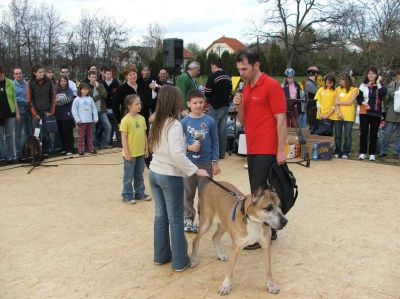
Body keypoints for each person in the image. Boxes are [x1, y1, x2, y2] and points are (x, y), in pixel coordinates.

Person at [148, 85, 209, 272]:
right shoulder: (174, 125)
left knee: (161, 216)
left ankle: (161, 256)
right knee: (175, 219)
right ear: (174, 102)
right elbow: (176, 154)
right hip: (168, 176)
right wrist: (195, 170)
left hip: (154, 173)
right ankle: (180, 261)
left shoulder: (157, 122)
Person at [233, 48, 287, 247]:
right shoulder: (246, 88)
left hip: (267, 146)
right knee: (259, 192)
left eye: (245, 68)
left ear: (256, 65)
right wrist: (239, 105)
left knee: (258, 193)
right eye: (239, 69)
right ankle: (270, 230)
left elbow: (281, 118)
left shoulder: (271, 86)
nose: (242, 73)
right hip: (252, 146)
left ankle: (263, 234)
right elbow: (242, 121)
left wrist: (281, 149)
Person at [181, 89, 220, 233]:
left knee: (205, 194)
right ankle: (188, 219)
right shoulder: (183, 123)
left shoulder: (210, 121)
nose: (198, 105)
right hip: (188, 164)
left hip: (205, 164)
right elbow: (177, 145)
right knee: (188, 193)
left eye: (201, 102)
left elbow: (215, 142)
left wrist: (215, 162)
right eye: (195, 103)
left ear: (205, 103)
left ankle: (204, 219)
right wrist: (189, 147)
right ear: (188, 104)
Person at [120, 94, 151, 203]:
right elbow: (123, 139)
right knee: (129, 176)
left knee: (139, 175)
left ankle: (139, 193)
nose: (139, 106)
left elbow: (144, 135)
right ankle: (127, 195)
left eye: (140, 103)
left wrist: (146, 149)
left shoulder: (142, 119)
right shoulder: (125, 120)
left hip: (140, 153)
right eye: (136, 104)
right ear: (129, 106)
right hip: (130, 154)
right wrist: (127, 153)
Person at [357, 67, 387, 161]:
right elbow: (359, 98)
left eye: (373, 74)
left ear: (376, 75)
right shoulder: (363, 85)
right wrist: (363, 102)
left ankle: (372, 153)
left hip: (376, 113)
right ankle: (362, 152)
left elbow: (382, 93)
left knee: (374, 134)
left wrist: (378, 82)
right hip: (364, 112)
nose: (371, 75)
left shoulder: (380, 85)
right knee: (363, 133)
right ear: (367, 75)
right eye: (369, 73)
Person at [204, 59, 232, 159]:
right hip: (225, 106)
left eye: (211, 67)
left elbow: (207, 92)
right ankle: (221, 153)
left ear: (214, 66)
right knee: (222, 131)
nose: (211, 69)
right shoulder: (228, 77)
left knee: (211, 130)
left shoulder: (213, 76)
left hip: (214, 106)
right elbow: (230, 92)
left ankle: (212, 154)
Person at [27, 64, 56, 158]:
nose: (42, 74)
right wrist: (35, 113)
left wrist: (51, 111)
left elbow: (53, 96)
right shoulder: (30, 82)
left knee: (47, 133)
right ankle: (37, 152)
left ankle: (46, 151)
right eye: (40, 72)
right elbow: (30, 99)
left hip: (47, 112)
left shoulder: (49, 81)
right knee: (37, 133)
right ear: (34, 73)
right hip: (36, 113)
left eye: (43, 72)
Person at [333, 73, 358, 159]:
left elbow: (350, 102)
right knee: (337, 135)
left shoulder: (354, 89)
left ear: (346, 80)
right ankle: (337, 151)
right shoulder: (337, 89)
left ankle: (346, 152)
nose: (340, 82)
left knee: (347, 135)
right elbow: (335, 102)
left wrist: (338, 102)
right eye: (339, 81)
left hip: (349, 116)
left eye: (341, 80)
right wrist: (339, 112)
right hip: (338, 115)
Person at [0, 64, 19, 165]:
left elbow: (14, 99)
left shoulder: (10, 83)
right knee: (0, 137)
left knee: (10, 136)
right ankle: (2, 158)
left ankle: (10, 157)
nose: (0, 76)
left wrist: (17, 113)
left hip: (10, 113)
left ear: (3, 72)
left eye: (1, 73)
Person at [71, 83, 98, 155]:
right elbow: (74, 110)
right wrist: (77, 119)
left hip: (89, 120)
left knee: (89, 135)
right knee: (81, 136)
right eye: (84, 89)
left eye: (87, 89)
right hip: (81, 121)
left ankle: (91, 148)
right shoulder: (77, 99)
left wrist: (95, 117)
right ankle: (80, 149)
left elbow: (94, 109)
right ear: (80, 90)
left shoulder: (90, 99)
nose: (85, 91)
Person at [87, 71, 111, 149]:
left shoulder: (100, 85)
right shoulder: (87, 87)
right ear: (89, 77)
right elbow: (89, 100)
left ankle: (104, 143)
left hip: (102, 110)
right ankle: (94, 145)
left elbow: (105, 95)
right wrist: (98, 96)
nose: (94, 79)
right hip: (92, 112)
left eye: (95, 77)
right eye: (92, 77)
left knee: (108, 127)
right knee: (93, 130)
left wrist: (98, 87)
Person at [380, 69, 400, 159]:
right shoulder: (393, 84)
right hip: (392, 111)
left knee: (399, 134)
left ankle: (396, 152)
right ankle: (383, 151)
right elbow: (390, 95)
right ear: (397, 75)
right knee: (387, 132)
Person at [13, 67, 31, 161]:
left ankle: (27, 152)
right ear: (14, 75)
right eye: (16, 74)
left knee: (28, 133)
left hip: (28, 112)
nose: (19, 75)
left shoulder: (27, 84)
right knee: (18, 134)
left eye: (20, 73)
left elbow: (30, 94)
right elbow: (15, 99)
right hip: (19, 112)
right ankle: (19, 154)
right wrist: (27, 102)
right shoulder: (12, 85)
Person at [55, 75, 75, 155]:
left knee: (68, 132)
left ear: (67, 82)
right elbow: (54, 101)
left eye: (64, 81)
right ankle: (64, 148)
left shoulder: (69, 90)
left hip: (67, 115)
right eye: (61, 81)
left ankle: (70, 149)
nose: (63, 83)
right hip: (58, 115)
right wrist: (59, 101)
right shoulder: (56, 90)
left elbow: (69, 99)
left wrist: (58, 101)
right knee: (61, 132)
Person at [101, 67, 120, 147]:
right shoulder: (102, 83)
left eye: (110, 74)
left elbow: (117, 93)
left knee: (116, 125)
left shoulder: (115, 82)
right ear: (104, 74)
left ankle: (119, 142)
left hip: (114, 107)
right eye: (107, 74)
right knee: (109, 126)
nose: (109, 76)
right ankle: (109, 142)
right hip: (106, 107)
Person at [137, 65, 157, 132]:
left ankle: (155, 135)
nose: (146, 72)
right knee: (144, 121)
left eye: (148, 70)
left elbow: (160, 88)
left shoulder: (154, 79)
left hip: (153, 103)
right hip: (143, 103)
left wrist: (155, 88)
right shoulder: (138, 80)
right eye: (145, 70)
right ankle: (146, 135)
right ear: (142, 71)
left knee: (155, 120)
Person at [304, 66, 319, 133]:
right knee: (312, 126)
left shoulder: (309, 82)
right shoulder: (310, 83)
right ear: (316, 74)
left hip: (312, 107)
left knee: (313, 125)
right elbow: (317, 93)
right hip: (311, 107)